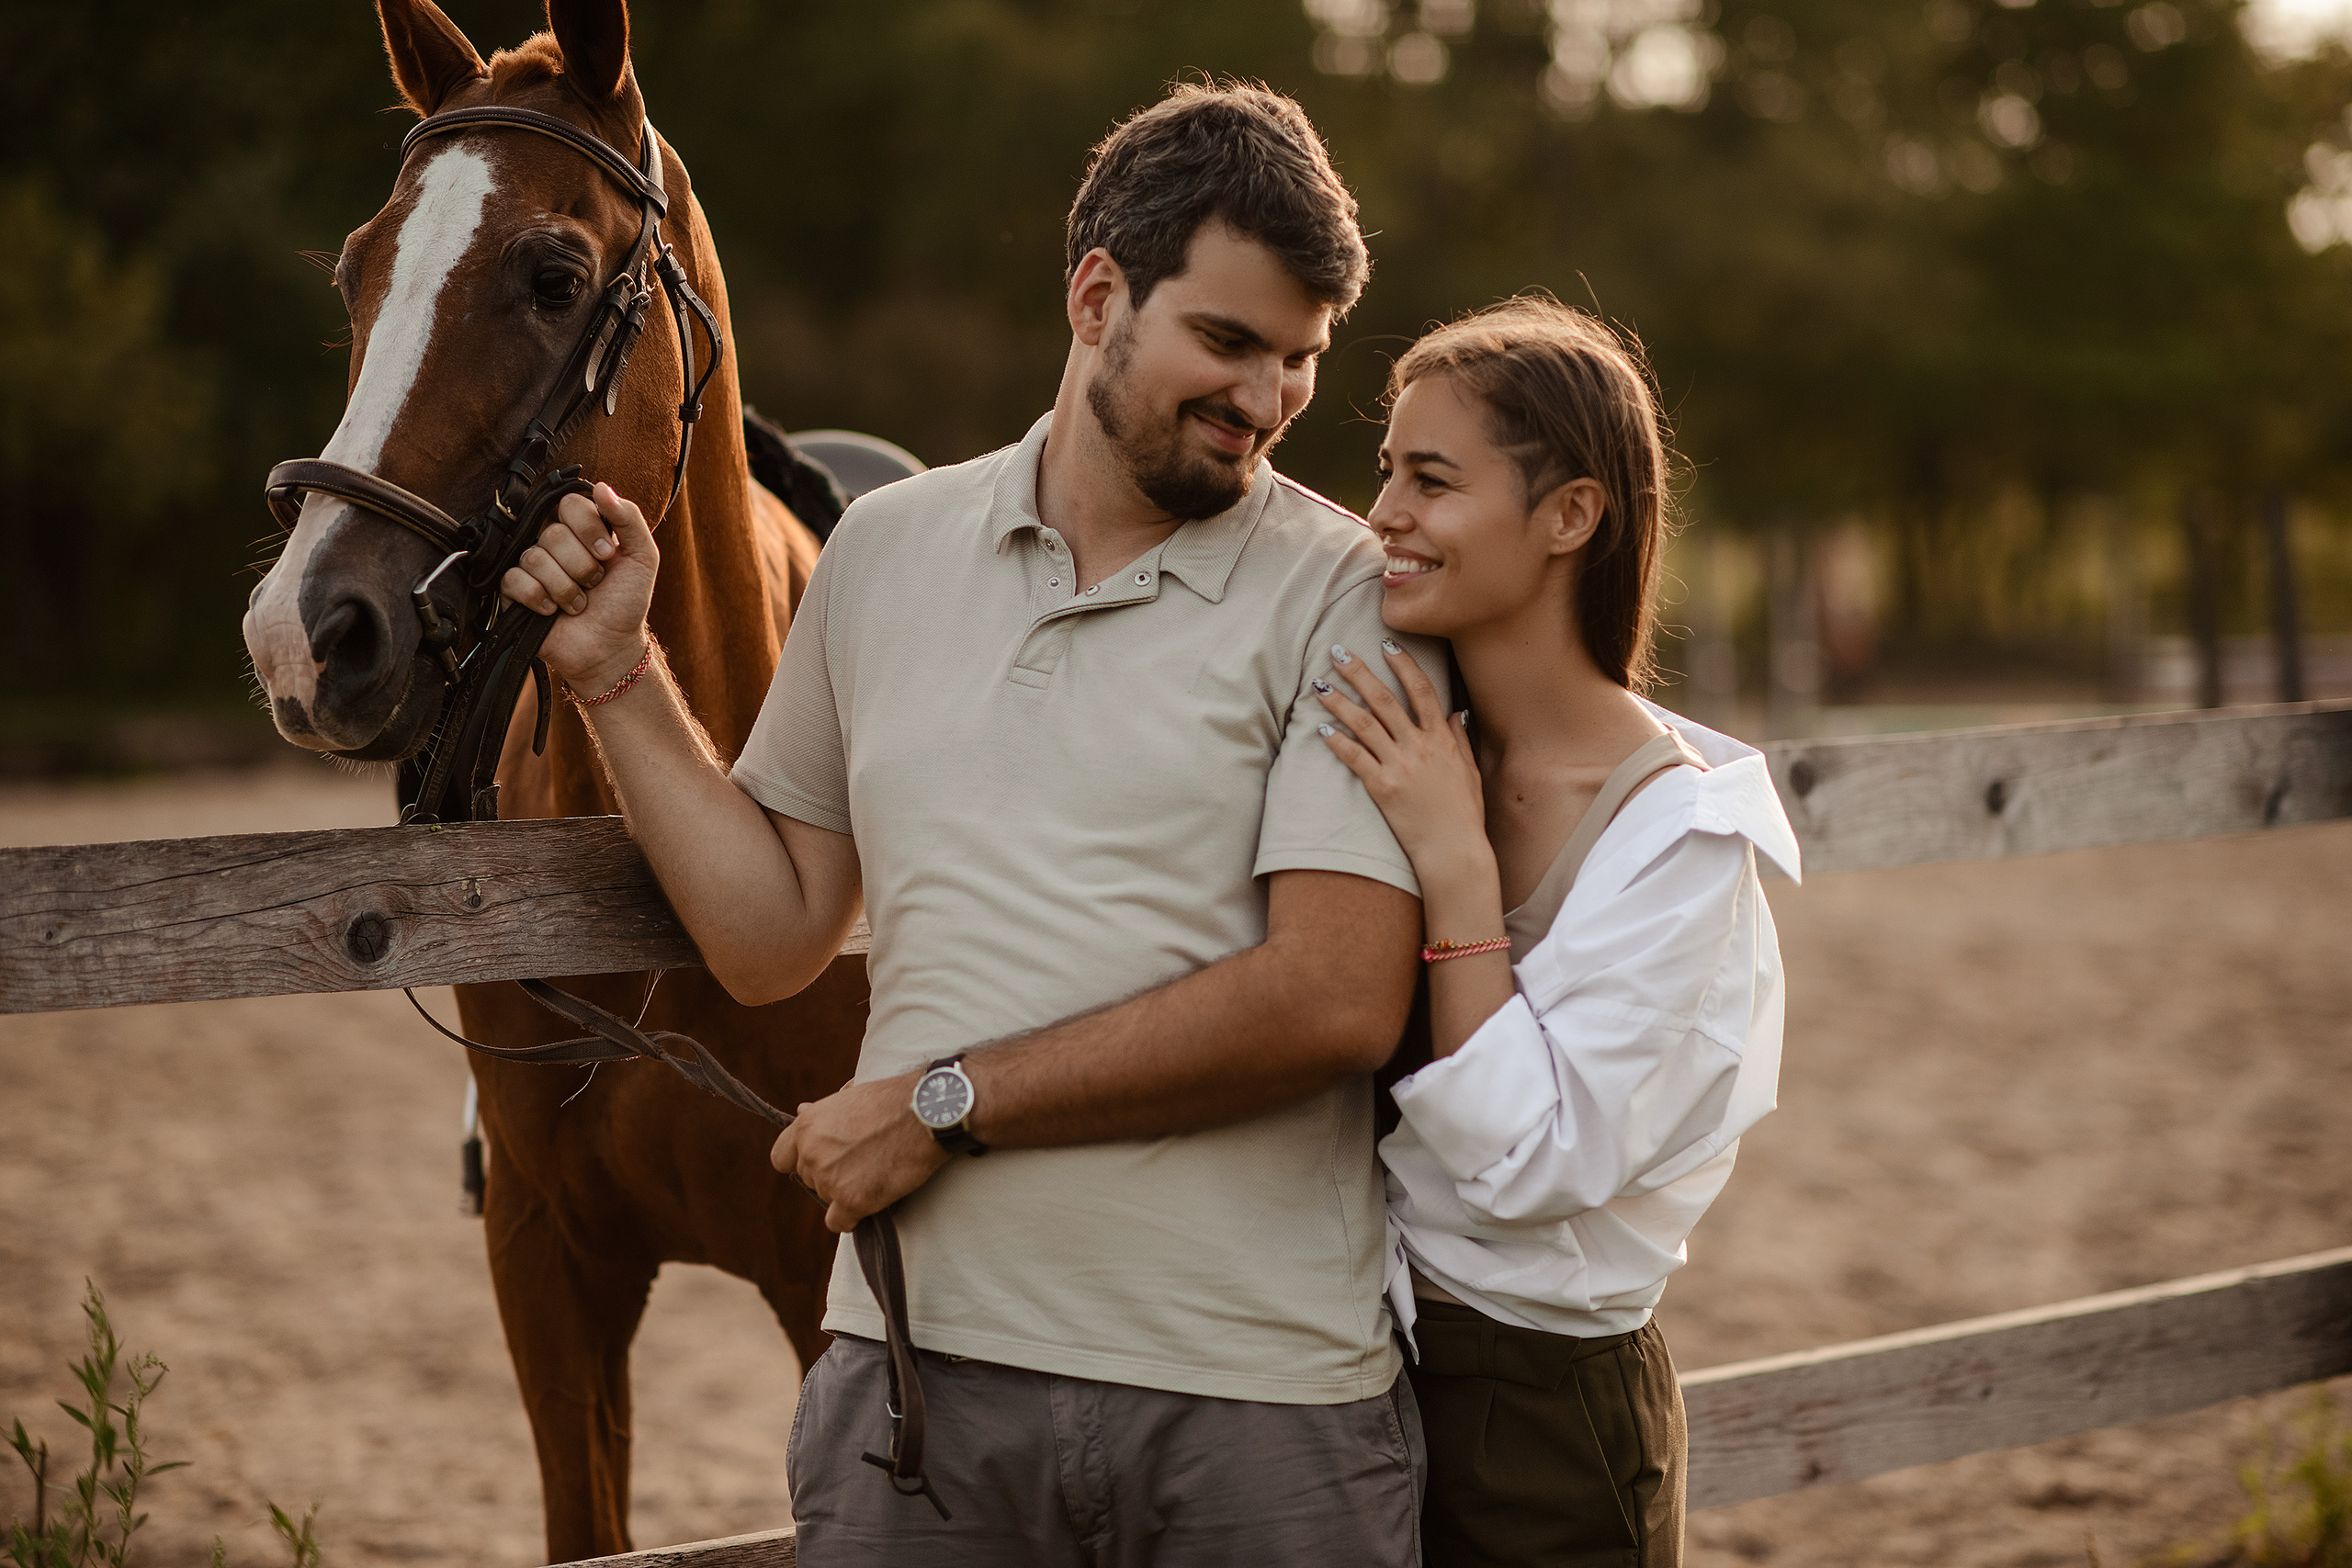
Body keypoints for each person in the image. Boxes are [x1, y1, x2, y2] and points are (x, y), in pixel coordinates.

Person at [501, 83, 1439, 1565]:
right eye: (1229, 342)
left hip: (1254, 1422)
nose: (1267, 401)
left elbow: (1333, 995)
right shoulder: (882, 552)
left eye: (1302, 361)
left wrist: (944, 1100)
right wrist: (620, 671)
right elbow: (766, 938)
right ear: (1095, 296)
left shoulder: (1344, 595)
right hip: (918, 1405)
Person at [1309, 296, 1800, 1567]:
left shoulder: (1680, 840)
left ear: (1570, 516)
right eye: (1385, 474)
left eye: (1431, 479)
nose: (1385, 516)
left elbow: (1532, 1166)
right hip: (1348, 1371)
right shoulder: (1414, 738)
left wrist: (1460, 875)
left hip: (1542, 1413)